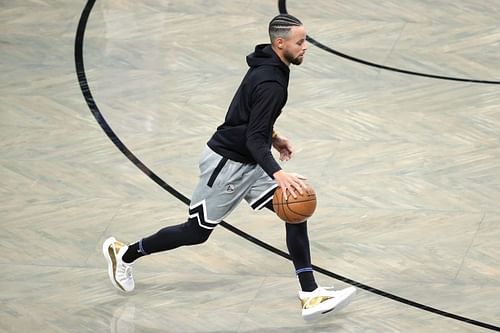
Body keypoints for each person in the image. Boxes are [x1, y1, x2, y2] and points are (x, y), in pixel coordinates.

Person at [103, 13, 356, 321]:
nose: (306, 47)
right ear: (280, 43)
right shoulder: (271, 81)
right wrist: (278, 171)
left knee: (295, 207)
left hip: (249, 159)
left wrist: (273, 137)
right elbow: (251, 136)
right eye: (300, 42)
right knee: (196, 232)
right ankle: (125, 253)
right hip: (228, 164)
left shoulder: (270, 64)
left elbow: (248, 117)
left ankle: (310, 293)